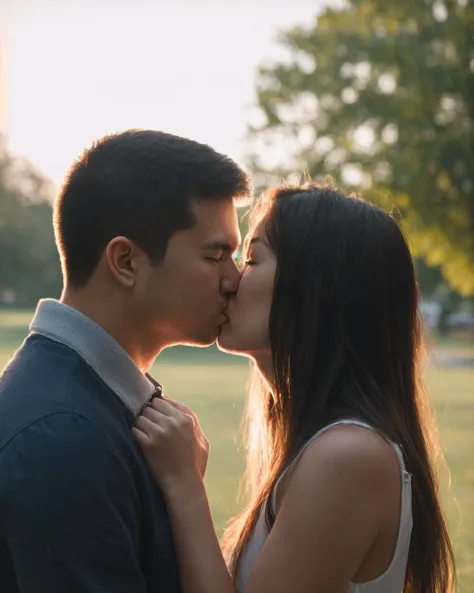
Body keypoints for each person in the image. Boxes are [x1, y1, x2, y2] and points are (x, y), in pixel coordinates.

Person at [134, 183, 456, 593]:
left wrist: (185, 487)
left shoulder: (348, 457)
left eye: (251, 259)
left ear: (315, 286)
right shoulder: (319, 446)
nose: (230, 279)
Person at [0, 129, 250, 592]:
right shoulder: (62, 434)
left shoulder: (86, 404)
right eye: (216, 255)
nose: (234, 279)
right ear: (126, 261)